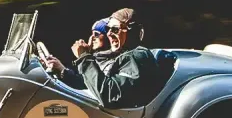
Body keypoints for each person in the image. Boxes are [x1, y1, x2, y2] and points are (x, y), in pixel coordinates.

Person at [41, 8, 172, 108]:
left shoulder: (137, 56)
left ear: (131, 32)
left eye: (115, 30)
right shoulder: (122, 57)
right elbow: (90, 84)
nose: (109, 34)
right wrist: (62, 71)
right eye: (108, 29)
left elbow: (110, 95)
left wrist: (84, 57)